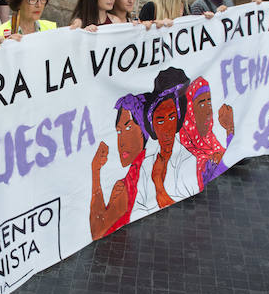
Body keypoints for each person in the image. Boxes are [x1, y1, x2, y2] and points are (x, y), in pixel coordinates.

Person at [135, 67, 197, 214]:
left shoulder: (188, 158)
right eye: (160, 120)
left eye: (172, 117)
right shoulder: (142, 165)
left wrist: (159, 187)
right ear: (152, 125)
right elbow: (138, 205)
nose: (167, 129)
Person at [89, 93, 149, 240]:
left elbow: (97, 230)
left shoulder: (129, 183)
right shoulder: (133, 176)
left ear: (143, 129)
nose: (121, 141)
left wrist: (95, 171)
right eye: (119, 131)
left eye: (128, 128)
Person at [177, 77, 234, 191]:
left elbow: (232, 156)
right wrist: (229, 130)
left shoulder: (212, 140)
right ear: (190, 110)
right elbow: (225, 163)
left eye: (209, 102)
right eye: (202, 104)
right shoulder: (181, 151)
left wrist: (229, 128)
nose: (208, 111)